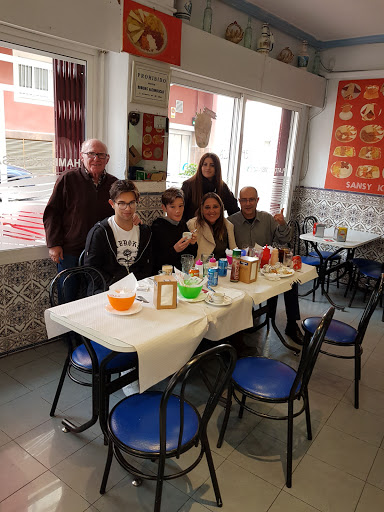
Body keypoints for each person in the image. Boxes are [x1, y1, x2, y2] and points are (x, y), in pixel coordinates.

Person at [228, 186, 303, 344]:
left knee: (292, 281)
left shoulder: (267, 218)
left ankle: (291, 324)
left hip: (264, 269)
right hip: (241, 270)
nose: (248, 203)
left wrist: (282, 224)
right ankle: (241, 327)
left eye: (252, 199)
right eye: (244, 200)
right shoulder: (231, 221)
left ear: (257, 200)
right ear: (239, 201)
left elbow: (284, 239)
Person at [43, 139, 117, 271]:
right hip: (71, 251)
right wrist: (54, 244)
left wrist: (132, 218)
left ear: (107, 159)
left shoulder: (114, 184)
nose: (96, 158)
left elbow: (120, 211)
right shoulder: (68, 179)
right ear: (81, 157)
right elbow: (52, 213)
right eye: (91, 154)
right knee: (68, 291)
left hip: (101, 250)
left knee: (97, 291)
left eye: (101, 155)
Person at [84, 180, 152, 292]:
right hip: (106, 291)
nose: (128, 208)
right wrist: (117, 288)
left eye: (131, 202)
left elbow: (147, 266)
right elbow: (91, 270)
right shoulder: (100, 232)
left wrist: (137, 286)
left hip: (137, 291)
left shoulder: (145, 232)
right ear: (112, 204)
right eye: (121, 203)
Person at [181, 153, 239, 221]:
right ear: (200, 166)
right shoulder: (188, 185)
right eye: (205, 164)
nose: (208, 168)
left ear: (216, 168)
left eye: (212, 165)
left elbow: (233, 209)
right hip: (192, 227)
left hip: (215, 229)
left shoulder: (222, 187)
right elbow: (181, 211)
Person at [151, 187, 197, 273]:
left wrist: (193, 243)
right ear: (164, 208)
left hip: (182, 274)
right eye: (172, 207)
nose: (178, 211)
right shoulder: (157, 227)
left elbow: (191, 256)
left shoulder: (182, 225)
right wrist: (174, 250)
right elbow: (155, 260)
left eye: (180, 206)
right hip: (163, 276)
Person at [187, 192, 236, 260]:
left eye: (215, 207)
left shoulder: (228, 226)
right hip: (200, 268)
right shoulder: (193, 224)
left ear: (221, 208)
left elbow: (234, 252)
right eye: (207, 207)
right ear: (202, 209)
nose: (211, 211)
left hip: (223, 268)